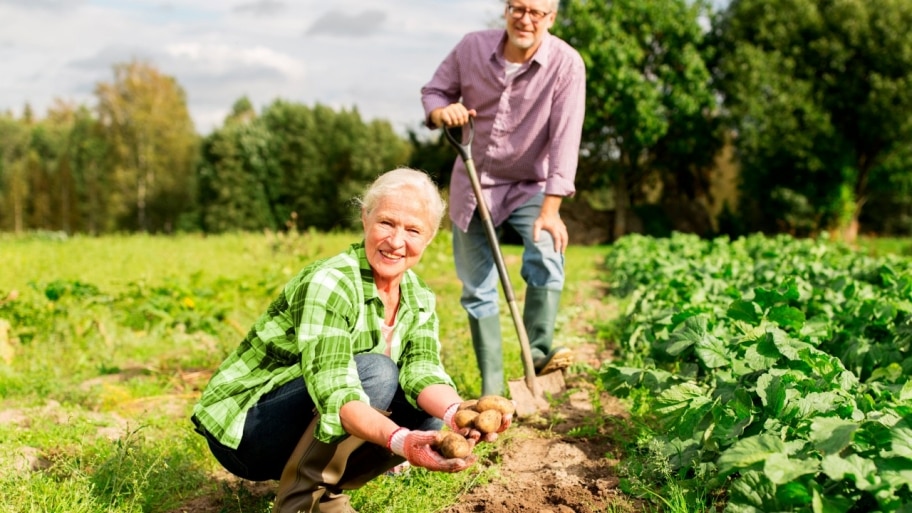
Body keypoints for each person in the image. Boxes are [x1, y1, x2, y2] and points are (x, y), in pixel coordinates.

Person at [191, 168, 511, 513]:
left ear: (430, 237)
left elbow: (423, 369)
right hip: (247, 432)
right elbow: (335, 389)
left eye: (413, 230)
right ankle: (301, 501)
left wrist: (458, 412)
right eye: (387, 223)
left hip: (303, 421)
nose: (396, 241)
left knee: (429, 417)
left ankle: (326, 494)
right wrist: (401, 442)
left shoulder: (418, 295)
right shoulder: (331, 282)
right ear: (365, 218)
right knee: (377, 372)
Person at [420, 0, 586, 396]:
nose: (525, 19)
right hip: (473, 182)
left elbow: (566, 136)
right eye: (517, 7)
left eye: (536, 12)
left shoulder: (566, 64)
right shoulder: (471, 47)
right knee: (478, 289)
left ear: (551, 18)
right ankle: (492, 390)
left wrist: (552, 209)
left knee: (547, 252)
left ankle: (541, 354)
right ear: (506, 9)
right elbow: (434, 92)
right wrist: (443, 113)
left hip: (530, 185)